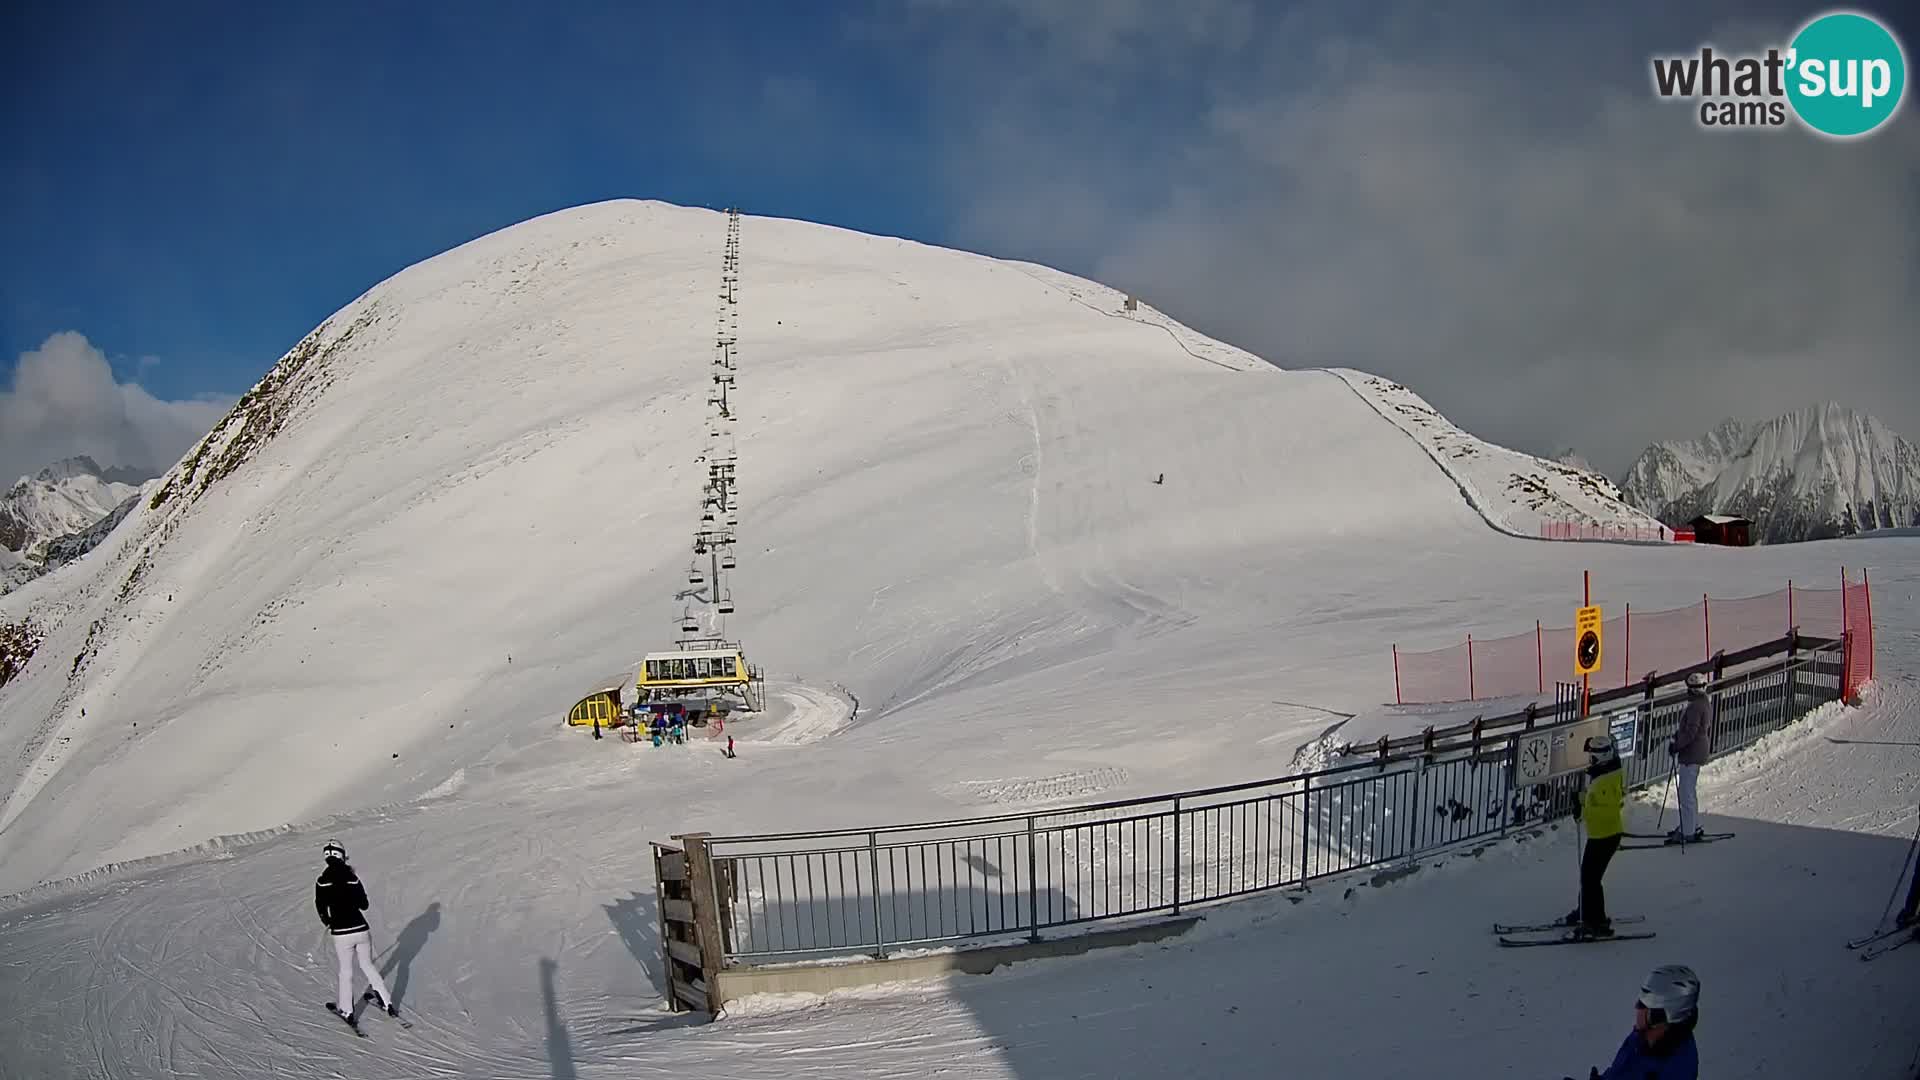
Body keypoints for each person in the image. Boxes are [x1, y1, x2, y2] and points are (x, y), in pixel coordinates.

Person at [1567, 963, 1701, 1079]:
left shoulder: (1678, 1067)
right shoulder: (1641, 1036)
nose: (1636, 1007)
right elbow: (1620, 1073)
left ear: (1659, 1014)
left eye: (1643, 1004)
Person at [315, 841, 397, 1026]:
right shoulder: (352, 878)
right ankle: (387, 1002)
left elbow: (320, 905)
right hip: (361, 929)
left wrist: (327, 920)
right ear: (342, 855)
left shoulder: (322, 881)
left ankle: (347, 1010)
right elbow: (364, 905)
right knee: (367, 965)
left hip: (341, 933)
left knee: (346, 970)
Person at [1567, 733, 1626, 938]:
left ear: (1601, 756)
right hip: (1601, 833)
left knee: (1591, 878)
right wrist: (1581, 799)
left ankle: (1596, 921)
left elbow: (1606, 809)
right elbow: (1596, 800)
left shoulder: (1605, 779)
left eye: (1591, 755)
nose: (1589, 760)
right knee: (1588, 876)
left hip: (1605, 834)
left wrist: (1582, 808)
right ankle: (1585, 910)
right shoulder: (1604, 773)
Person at [1667, 673, 1714, 844]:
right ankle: (1691, 825)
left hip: (1691, 753)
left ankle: (1688, 832)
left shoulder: (1695, 706)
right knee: (1689, 792)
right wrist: (1678, 736)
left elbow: (1691, 732)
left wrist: (1677, 745)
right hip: (1697, 751)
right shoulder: (1704, 702)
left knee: (1685, 793)